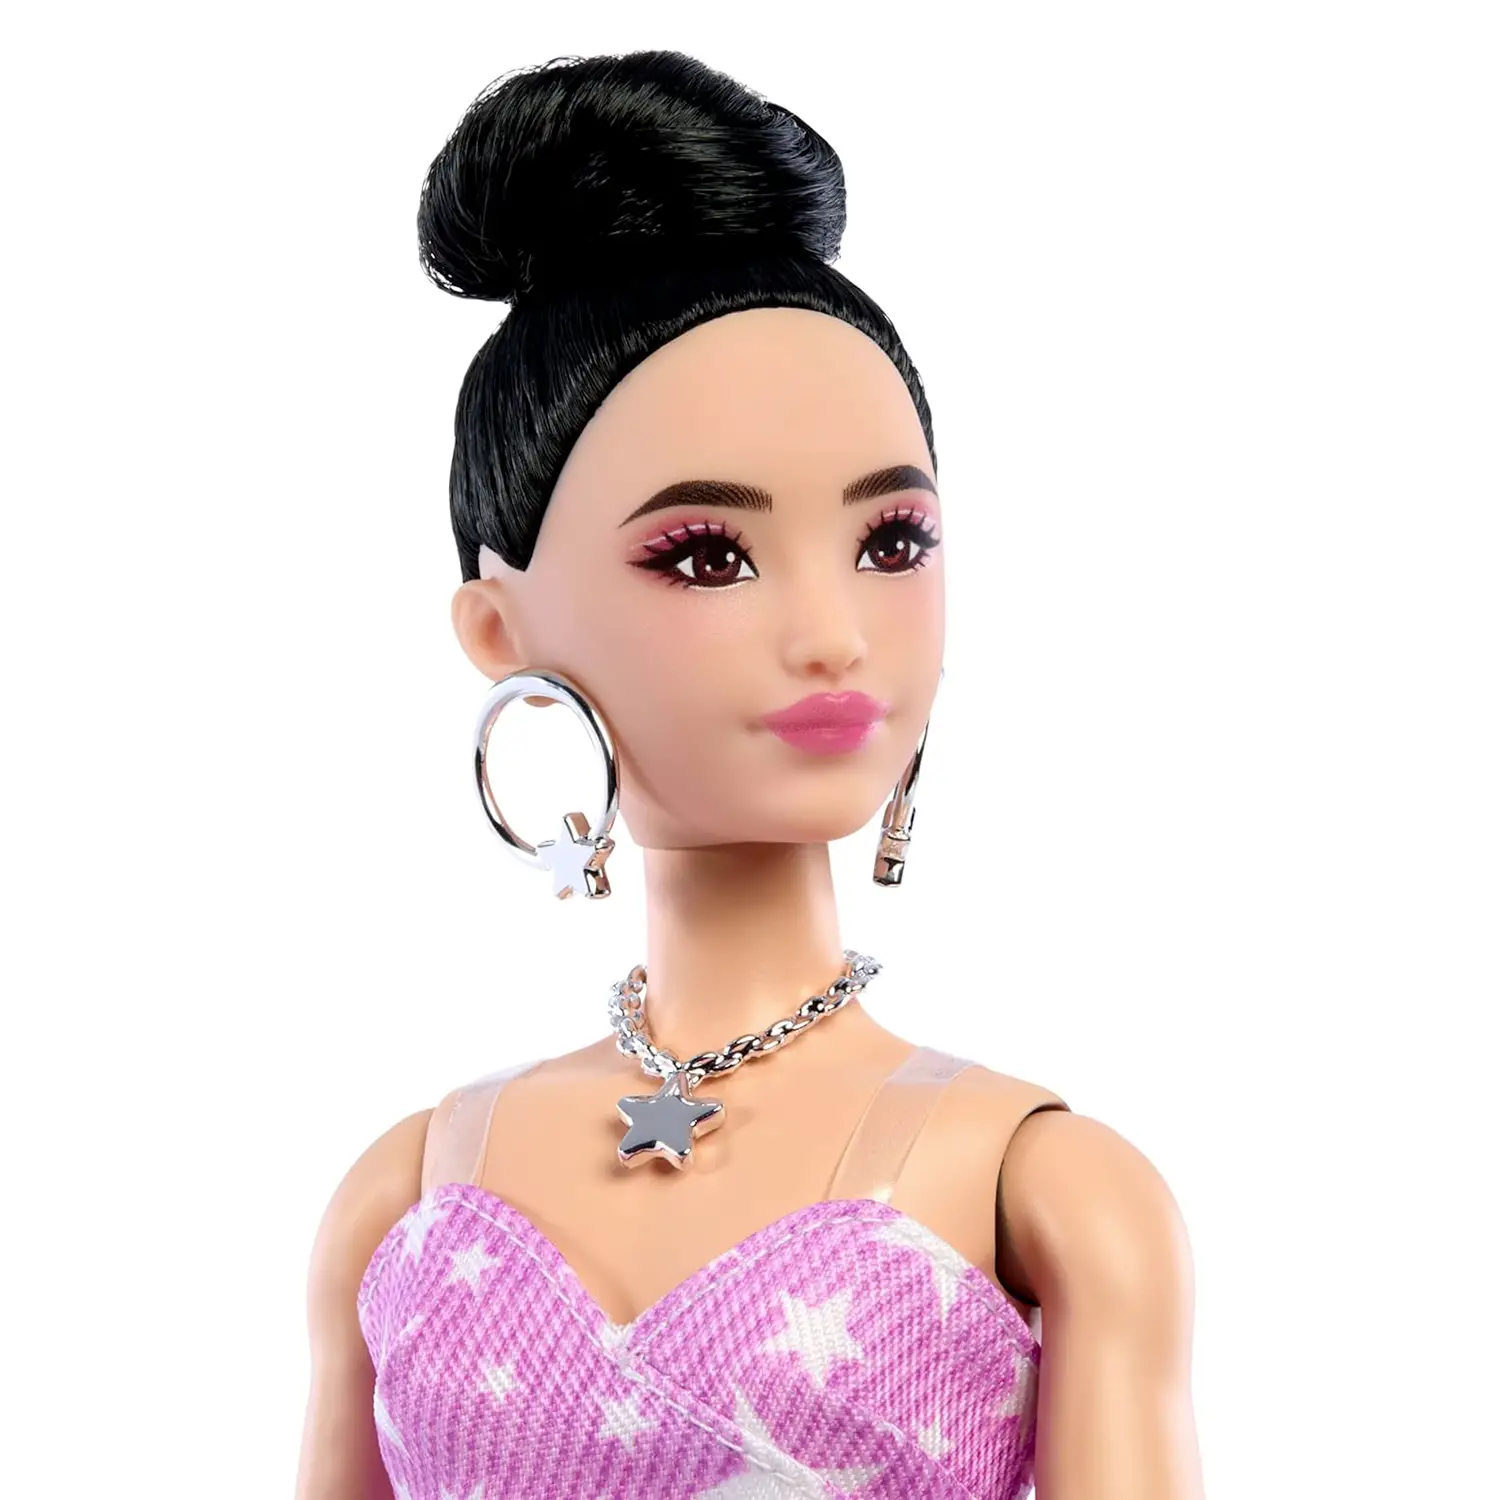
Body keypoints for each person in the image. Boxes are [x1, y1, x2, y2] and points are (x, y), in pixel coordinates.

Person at [295, 49, 1204, 1500]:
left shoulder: (1045, 1191)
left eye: (890, 542)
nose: (833, 633)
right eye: (708, 555)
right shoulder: (407, 1195)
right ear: (503, 633)